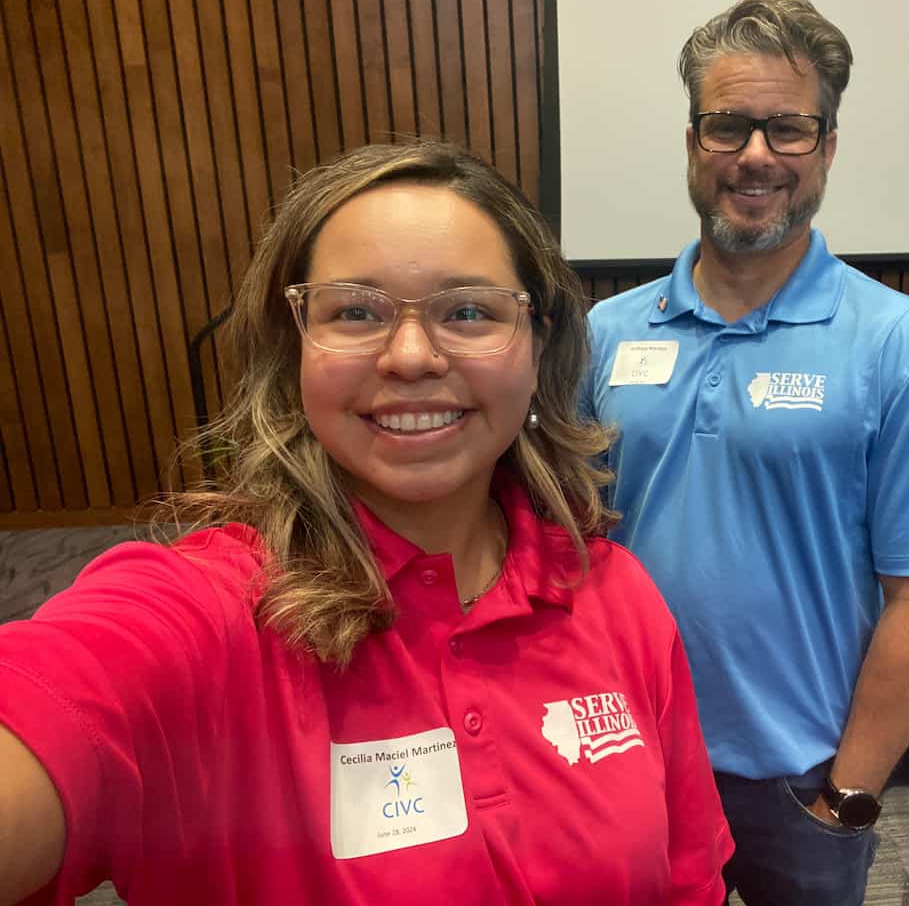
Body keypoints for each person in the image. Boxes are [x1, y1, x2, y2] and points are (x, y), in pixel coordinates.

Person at [0, 141, 732, 905]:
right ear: (295, 352)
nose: (411, 356)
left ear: (539, 346)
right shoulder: (204, 614)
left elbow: (690, 882)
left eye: (470, 310)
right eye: (354, 310)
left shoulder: (614, 592)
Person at [582, 0, 909, 905]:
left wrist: (847, 799)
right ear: (694, 142)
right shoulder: (605, 335)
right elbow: (563, 545)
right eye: (728, 126)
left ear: (829, 148)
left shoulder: (904, 344)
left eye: (789, 129)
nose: (756, 155)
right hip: (623, 759)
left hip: (798, 783)